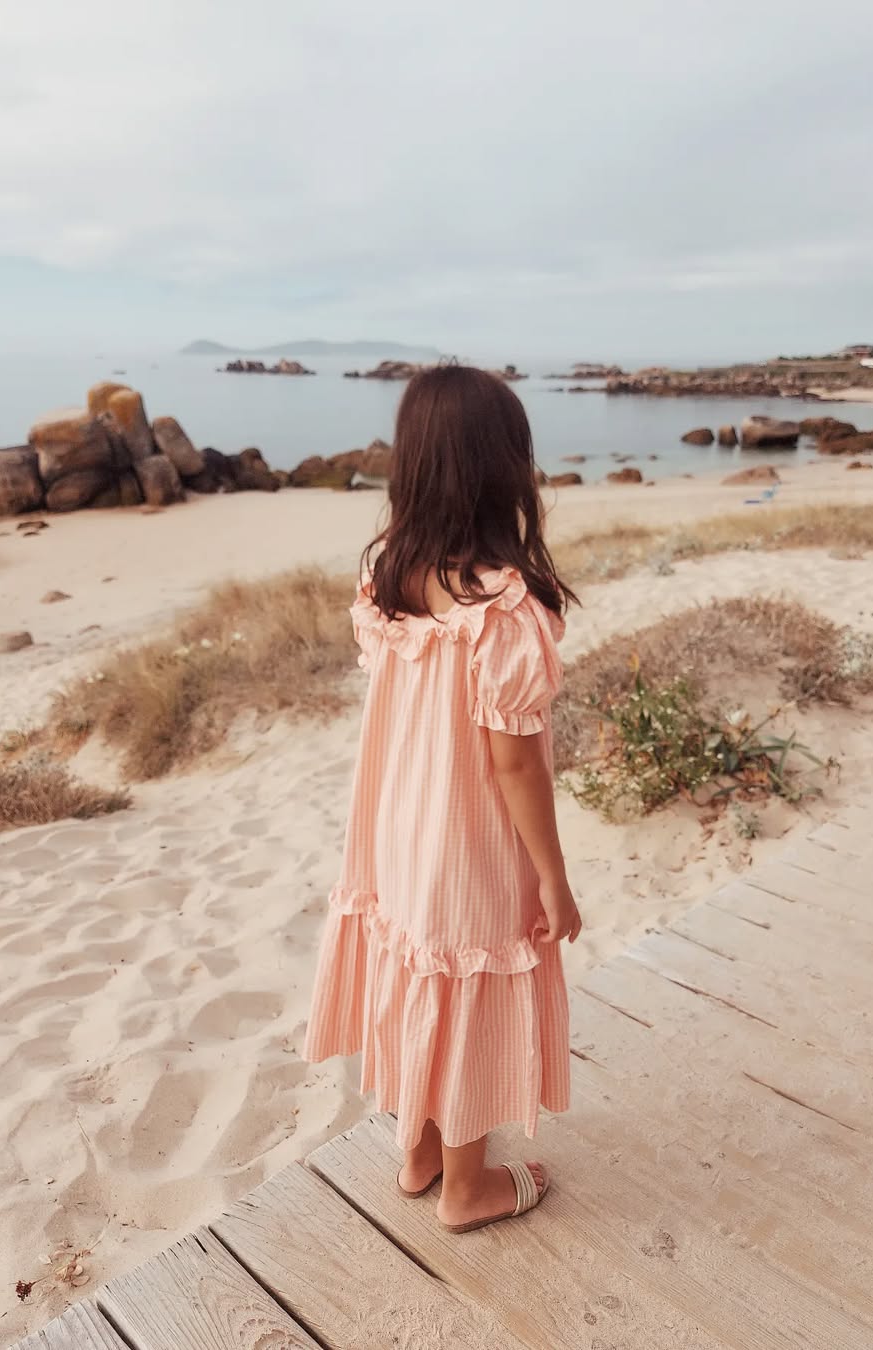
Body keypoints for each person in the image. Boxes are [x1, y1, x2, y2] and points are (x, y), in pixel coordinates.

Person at [304, 363, 581, 1234]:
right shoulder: (503, 606)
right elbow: (516, 767)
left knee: (421, 961)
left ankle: (419, 1149)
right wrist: (554, 875)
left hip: (398, 823)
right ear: (505, 466)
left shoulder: (391, 571)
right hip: (471, 836)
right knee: (467, 973)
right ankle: (468, 1186)